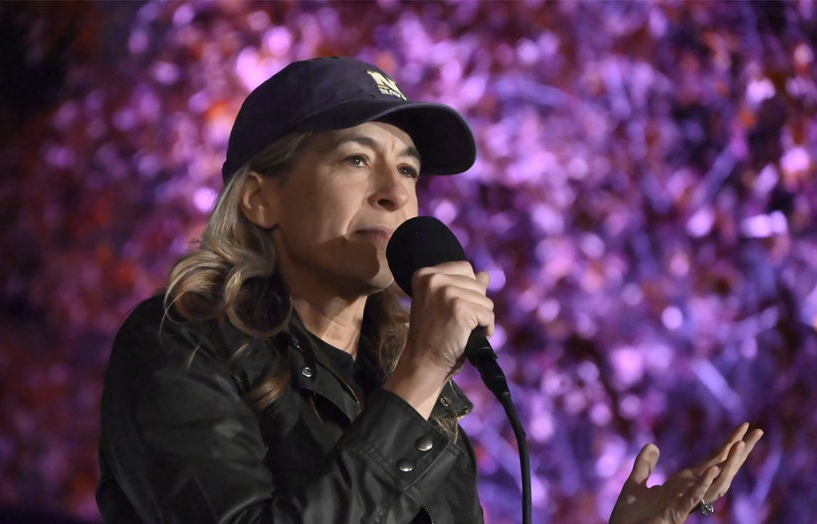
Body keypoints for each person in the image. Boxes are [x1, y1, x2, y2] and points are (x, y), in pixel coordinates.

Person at [96, 56, 763, 523]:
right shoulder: (179, 345)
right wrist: (416, 378)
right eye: (357, 159)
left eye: (409, 170)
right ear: (260, 199)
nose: (395, 193)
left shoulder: (416, 394)